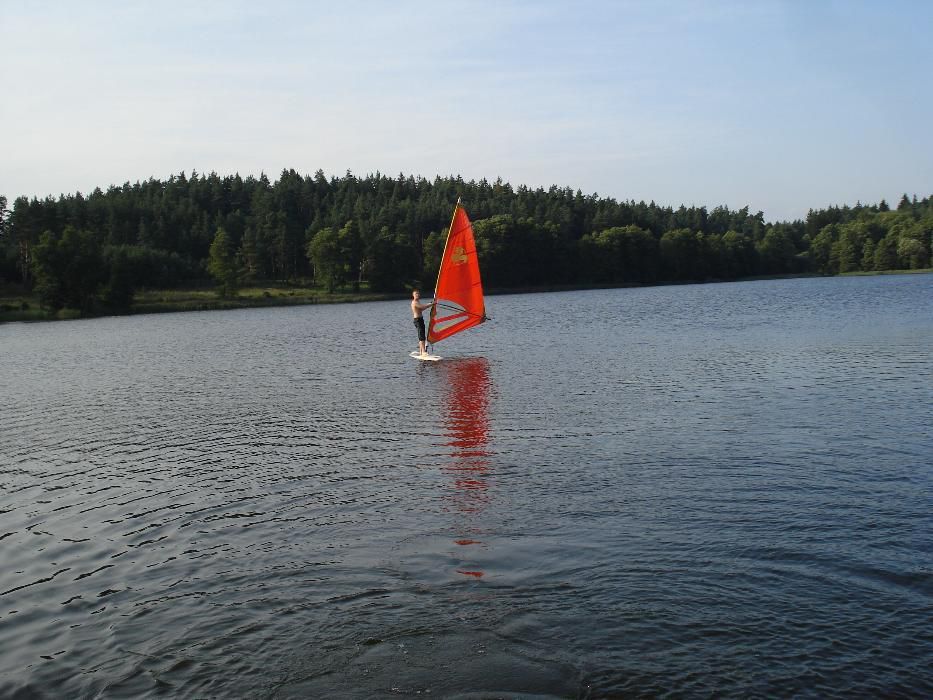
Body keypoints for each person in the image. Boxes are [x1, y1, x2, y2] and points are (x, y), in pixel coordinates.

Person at [411, 289, 433, 356]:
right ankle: (423, 351)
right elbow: (423, 306)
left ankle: (421, 351)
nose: (417, 295)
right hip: (417, 320)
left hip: (420, 319)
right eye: (416, 294)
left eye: (418, 293)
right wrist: (432, 304)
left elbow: (422, 309)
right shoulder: (415, 302)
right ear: (413, 295)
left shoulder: (418, 302)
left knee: (422, 335)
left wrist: (430, 304)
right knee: (421, 336)